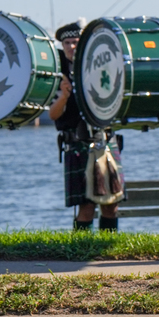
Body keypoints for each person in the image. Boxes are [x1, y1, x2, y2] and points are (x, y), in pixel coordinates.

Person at [47, 20, 122, 231]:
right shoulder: (56, 73)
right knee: (86, 206)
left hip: (104, 139)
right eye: (67, 43)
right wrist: (64, 95)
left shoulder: (104, 66)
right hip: (76, 142)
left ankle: (108, 250)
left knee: (111, 203)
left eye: (76, 42)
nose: (72, 47)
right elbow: (53, 114)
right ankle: (81, 250)